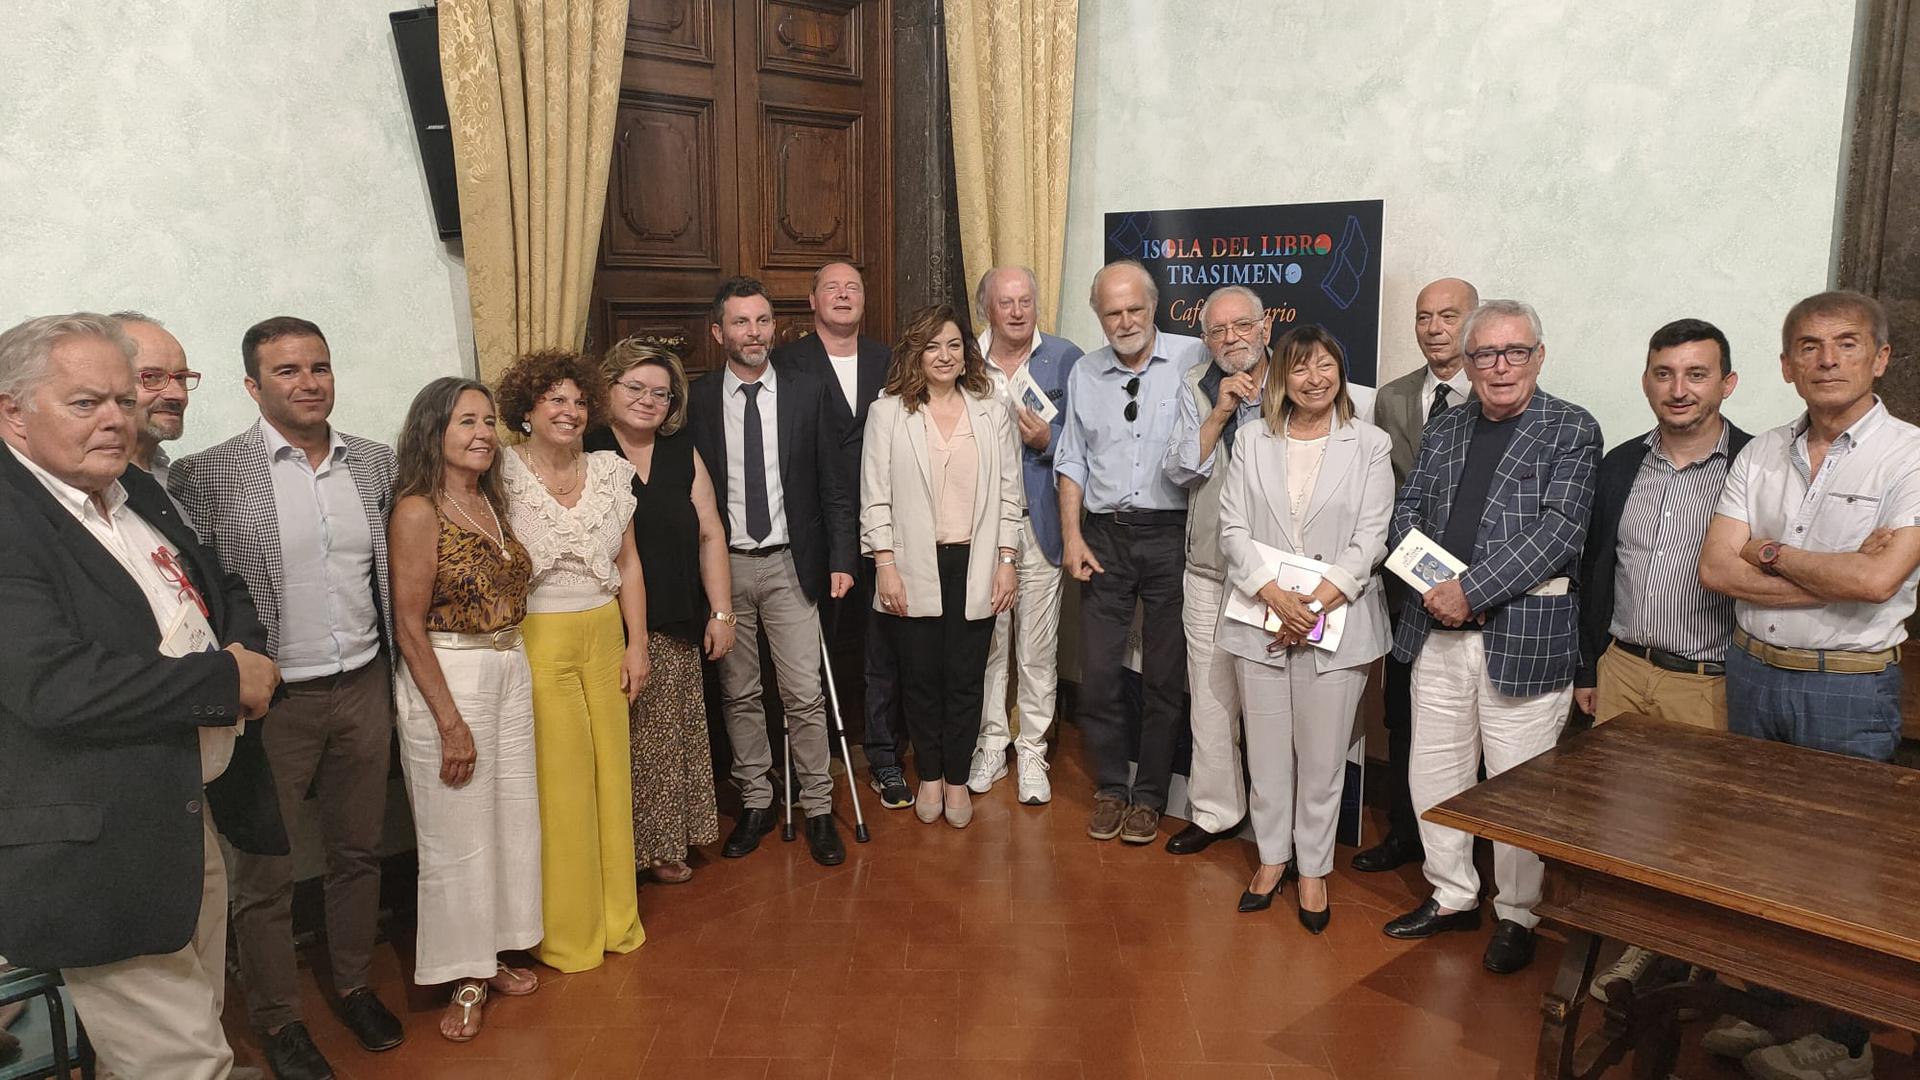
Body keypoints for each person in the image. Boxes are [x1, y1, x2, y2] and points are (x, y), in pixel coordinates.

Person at [0, 313, 282, 1080]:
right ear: (12, 413)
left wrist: (251, 649)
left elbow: (220, 584)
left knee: (190, 1034)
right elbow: (52, 685)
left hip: (186, 811)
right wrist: (227, 681)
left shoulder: (133, 490)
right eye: (86, 403)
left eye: (124, 401)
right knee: (187, 1064)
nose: (117, 420)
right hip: (101, 846)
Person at [170, 315, 406, 1079]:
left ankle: (352, 984)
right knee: (265, 874)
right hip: (271, 704)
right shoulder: (207, 475)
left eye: (319, 367)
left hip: (364, 684)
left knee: (358, 848)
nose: (308, 383)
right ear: (252, 385)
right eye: (288, 371)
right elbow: (199, 593)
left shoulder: (373, 461)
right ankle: (279, 1021)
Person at [1698, 290, 1920, 1080]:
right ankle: (1769, 1013)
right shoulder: (1760, 452)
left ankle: (1844, 1040)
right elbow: (1713, 567)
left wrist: (1769, 554)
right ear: (1788, 365)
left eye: (1846, 344)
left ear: (1880, 358)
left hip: (1848, 689)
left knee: (1843, 873)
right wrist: (1838, 571)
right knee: (1756, 858)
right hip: (1756, 676)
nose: (1827, 360)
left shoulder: (1909, 455)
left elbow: (1879, 579)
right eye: (1809, 347)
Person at [1381, 299, 1600, 976]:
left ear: (1539, 355)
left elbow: (1561, 533)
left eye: (1514, 352)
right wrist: (1431, 588)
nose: (1499, 367)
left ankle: (1517, 913)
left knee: (1519, 787)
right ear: (1467, 361)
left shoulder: (1571, 428)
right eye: (1485, 354)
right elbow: (1408, 510)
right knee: (1436, 772)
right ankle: (1451, 894)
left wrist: (1470, 592)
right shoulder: (1446, 428)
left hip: (1525, 634)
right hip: (1435, 628)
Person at [1216, 325, 1394, 932]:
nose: (1314, 379)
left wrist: (1312, 604)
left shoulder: (1368, 444)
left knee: (1321, 760)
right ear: (1279, 378)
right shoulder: (1251, 441)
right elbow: (1232, 529)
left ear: (1340, 371)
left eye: (1325, 365)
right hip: (1261, 619)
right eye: (1299, 368)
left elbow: (1371, 537)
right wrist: (1274, 595)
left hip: (1337, 622)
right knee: (1265, 755)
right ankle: (1271, 859)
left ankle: (1314, 869)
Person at [386, 377, 544, 1042]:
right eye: (465, 422)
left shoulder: (489, 498)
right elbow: (409, 625)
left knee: (511, 817)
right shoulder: (419, 509)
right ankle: (463, 975)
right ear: (435, 432)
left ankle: (501, 947)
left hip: (509, 663)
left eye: (488, 422)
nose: (482, 434)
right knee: (457, 832)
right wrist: (450, 721)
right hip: (451, 672)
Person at [687, 276, 857, 866]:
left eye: (762, 321)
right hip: (725, 566)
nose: (754, 332)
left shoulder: (808, 391)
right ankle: (757, 801)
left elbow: (836, 486)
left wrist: (841, 559)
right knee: (739, 692)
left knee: (804, 694)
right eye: (741, 322)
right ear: (719, 332)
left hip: (792, 564)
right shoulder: (699, 400)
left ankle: (816, 806)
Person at [495, 349, 649, 972]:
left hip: (605, 632)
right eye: (554, 400)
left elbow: (629, 563)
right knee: (560, 787)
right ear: (526, 412)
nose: (570, 411)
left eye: (579, 401)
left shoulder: (611, 471)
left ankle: (616, 920)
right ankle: (566, 933)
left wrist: (637, 643)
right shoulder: (500, 474)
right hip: (541, 638)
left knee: (612, 777)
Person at [1056, 259, 1208, 844]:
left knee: (1167, 674)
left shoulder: (1195, 357)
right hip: (1104, 536)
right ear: (1099, 316)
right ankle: (1111, 786)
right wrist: (1072, 536)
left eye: (1134, 309)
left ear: (1154, 306)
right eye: (1112, 312)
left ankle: (1150, 796)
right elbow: (1070, 457)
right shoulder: (1085, 374)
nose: (1125, 321)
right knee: (1097, 674)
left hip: (1172, 534)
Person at [861, 305, 1022, 826]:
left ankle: (956, 781)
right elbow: (875, 498)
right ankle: (928, 775)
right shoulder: (887, 412)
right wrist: (884, 564)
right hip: (912, 567)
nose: (944, 356)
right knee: (921, 679)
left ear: (966, 352)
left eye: (953, 345)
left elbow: (1008, 495)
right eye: (933, 346)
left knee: (965, 678)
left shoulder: (991, 410)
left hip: (976, 564)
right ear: (916, 353)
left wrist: (1007, 561)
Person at [589, 340, 729, 883]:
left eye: (661, 394)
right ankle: (624, 848)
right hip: (611, 624)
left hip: (677, 618)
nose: (649, 401)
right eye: (636, 389)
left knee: (671, 738)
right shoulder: (590, 449)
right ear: (608, 388)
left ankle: (667, 839)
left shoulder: (681, 451)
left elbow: (711, 533)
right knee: (625, 743)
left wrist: (722, 613)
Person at [770, 262, 906, 808]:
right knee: (807, 654)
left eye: (854, 286)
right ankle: (812, 763)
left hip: (886, 530)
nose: (844, 295)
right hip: (813, 535)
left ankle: (884, 755)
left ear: (865, 301)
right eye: (833, 287)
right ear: (812, 300)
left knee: (883, 649)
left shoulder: (891, 360)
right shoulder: (786, 362)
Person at [1353, 276, 1477, 874]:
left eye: (1448, 316)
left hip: (1482, 596)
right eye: (1424, 317)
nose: (1434, 328)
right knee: (1402, 717)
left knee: (1473, 732)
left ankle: (1469, 853)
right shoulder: (1394, 396)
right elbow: (1391, 493)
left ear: (1474, 321)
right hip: (1405, 589)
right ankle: (1406, 832)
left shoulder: (1500, 389)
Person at [968, 265, 1082, 805]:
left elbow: (1087, 442)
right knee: (989, 644)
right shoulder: (963, 359)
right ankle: (990, 742)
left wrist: (1049, 438)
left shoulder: (1065, 358)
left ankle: (1031, 749)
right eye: (1005, 302)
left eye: (1025, 301)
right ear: (986, 308)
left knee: (1037, 648)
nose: (1017, 311)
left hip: (1040, 525)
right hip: (979, 527)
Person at [1161, 284, 1268, 856]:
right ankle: (1214, 811)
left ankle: (1278, 826)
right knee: (1210, 695)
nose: (1231, 340)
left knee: (1272, 703)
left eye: (1242, 327)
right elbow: (1179, 469)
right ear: (1206, 340)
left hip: (1276, 581)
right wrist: (1222, 408)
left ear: (1265, 329)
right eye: (1219, 331)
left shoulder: (1297, 380)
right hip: (1206, 568)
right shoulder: (1194, 386)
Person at [114, 311, 198, 489]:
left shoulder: (184, 486)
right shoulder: (82, 487)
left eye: (181, 377)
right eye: (151, 377)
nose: (178, 394)